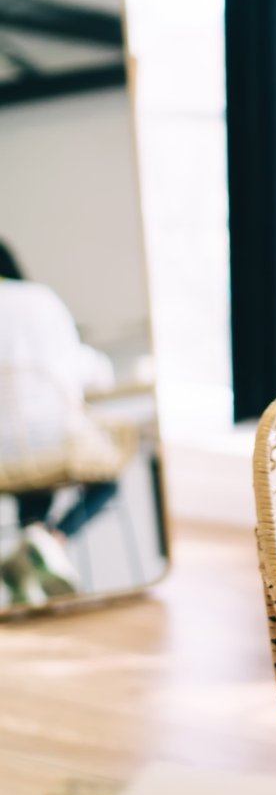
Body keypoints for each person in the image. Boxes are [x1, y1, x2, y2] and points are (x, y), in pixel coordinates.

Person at [0, 239, 122, 606]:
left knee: (31, 481)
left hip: (4, 452)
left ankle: (27, 560)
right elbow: (78, 365)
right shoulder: (40, 299)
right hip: (54, 439)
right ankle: (51, 539)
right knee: (106, 481)